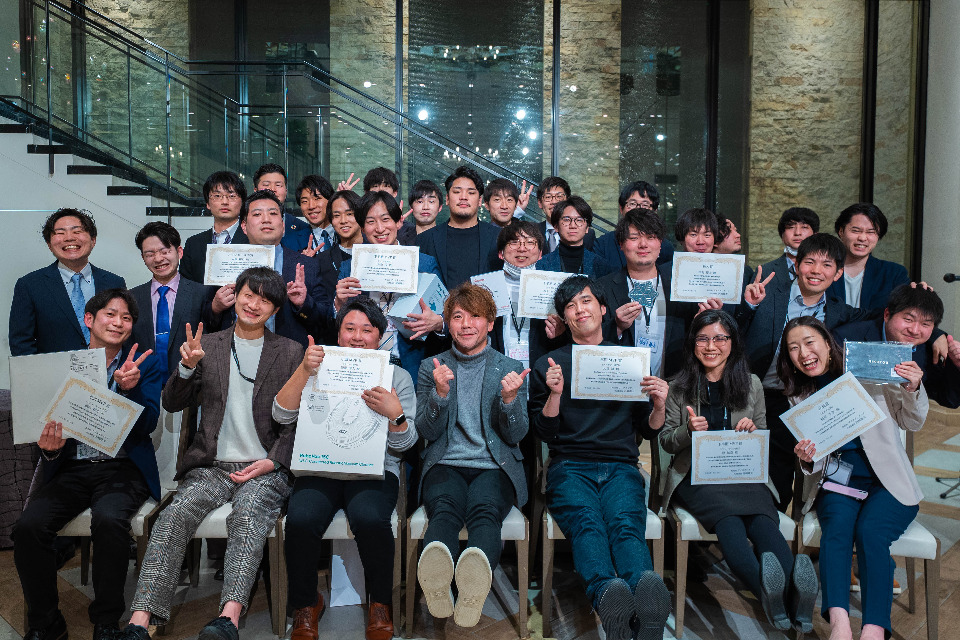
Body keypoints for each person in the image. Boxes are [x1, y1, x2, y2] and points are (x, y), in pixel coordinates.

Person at [116, 268, 303, 640]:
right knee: (175, 515)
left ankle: (227, 619)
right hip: (212, 465)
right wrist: (186, 367)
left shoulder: (289, 351)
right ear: (236, 296)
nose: (254, 305)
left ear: (275, 309)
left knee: (248, 517)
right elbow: (172, 403)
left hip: (264, 467)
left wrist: (274, 460)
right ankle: (139, 622)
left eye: (265, 300)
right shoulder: (209, 344)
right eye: (249, 294)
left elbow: (296, 419)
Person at [529, 275, 671, 640]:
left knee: (625, 525)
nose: (580, 309)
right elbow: (544, 433)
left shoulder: (631, 360)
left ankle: (644, 596)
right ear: (564, 318)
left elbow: (649, 429)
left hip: (621, 466)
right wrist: (555, 394)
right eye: (570, 306)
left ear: (603, 309)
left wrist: (659, 405)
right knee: (587, 524)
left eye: (586, 301)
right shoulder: (549, 363)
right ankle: (609, 595)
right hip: (569, 467)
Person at [15, 289, 160, 640]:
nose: (118, 323)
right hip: (73, 469)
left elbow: (148, 425)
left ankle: (106, 621)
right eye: (110, 314)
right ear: (89, 319)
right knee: (28, 527)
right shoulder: (62, 364)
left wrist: (129, 390)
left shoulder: (144, 363)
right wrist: (49, 449)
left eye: (126, 318)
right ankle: (45, 622)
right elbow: (44, 423)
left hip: (123, 469)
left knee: (109, 520)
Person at [659, 310, 818, 632]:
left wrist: (752, 431)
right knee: (730, 525)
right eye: (703, 339)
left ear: (732, 342)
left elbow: (761, 433)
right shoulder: (677, 386)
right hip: (698, 477)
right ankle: (784, 600)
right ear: (692, 344)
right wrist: (688, 431)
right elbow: (666, 441)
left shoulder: (752, 384)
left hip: (743, 473)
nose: (711, 346)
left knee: (765, 524)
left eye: (720, 338)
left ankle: (791, 598)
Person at [277, 297, 418, 640]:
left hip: (375, 470)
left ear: (380, 336)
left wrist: (396, 415)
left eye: (366, 330)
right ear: (338, 334)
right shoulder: (315, 366)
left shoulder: (397, 376)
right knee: (300, 519)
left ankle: (380, 603)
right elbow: (281, 415)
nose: (357, 337)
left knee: (370, 518)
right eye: (349, 328)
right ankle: (306, 603)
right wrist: (303, 371)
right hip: (320, 468)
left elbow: (405, 446)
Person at [783, 317, 926, 640]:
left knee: (871, 532)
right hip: (838, 483)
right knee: (836, 532)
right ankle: (839, 624)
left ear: (827, 344)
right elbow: (814, 460)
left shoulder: (867, 372)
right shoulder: (798, 395)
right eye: (793, 348)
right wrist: (806, 458)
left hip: (888, 482)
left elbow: (912, 421)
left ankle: (874, 628)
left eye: (809, 342)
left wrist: (913, 388)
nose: (803, 353)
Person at [414, 284, 529, 628]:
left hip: (495, 466)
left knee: (485, 510)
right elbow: (426, 430)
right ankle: (437, 586)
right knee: (445, 509)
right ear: (447, 323)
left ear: (490, 323)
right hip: (445, 463)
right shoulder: (431, 367)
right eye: (457, 317)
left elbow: (516, 436)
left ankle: (472, 592)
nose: (466, 324)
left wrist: (510, 401)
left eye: (475, 316)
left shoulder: (509, 367)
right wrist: (440, 394)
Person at [739, 233, 880, 510]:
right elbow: (731, 331)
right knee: (759, 476)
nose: (816, 271)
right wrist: (749, 306)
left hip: (804, 400)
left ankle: (790, 527)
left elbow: (885, 319)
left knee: (798, 475)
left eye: (827, 265)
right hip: (756, 395)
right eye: (810, 262)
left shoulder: (838, 311)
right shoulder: (766, 294)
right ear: (796, 265)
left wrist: (933, 331)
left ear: (838, 273)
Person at [334, 190, 446, 382]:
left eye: (385, 219)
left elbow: (447, 313)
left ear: (399, 222)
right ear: (362, 228)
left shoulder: (423, 264)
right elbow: (337, 325)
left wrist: (438, 322)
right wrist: (339, 304)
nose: (379, 228)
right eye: (370, 222)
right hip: (361, 365)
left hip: (412, 362)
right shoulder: (350, 268)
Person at [204, 190, 335, 348]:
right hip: (234, 351)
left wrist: (303, 303)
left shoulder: (307, 265)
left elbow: (326, 319)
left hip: (289, 355)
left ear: (283, 226)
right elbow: (205, 318)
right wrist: (216, 307)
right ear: (244, 226)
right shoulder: (224, 260)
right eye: (257, 214)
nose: (266, 219)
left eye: (273, 213)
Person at [10, 208, 126, 355]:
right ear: (49, 244)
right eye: (60, 233)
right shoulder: (30, 285)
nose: (69, 238)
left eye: (77, 231)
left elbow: (125, 332)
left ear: (93, 240)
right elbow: (21, 342)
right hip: (53, 369)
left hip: (109, 367)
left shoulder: (114, 282)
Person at [835, 283, 960, 408]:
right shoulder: (846, 339)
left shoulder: (927, 349)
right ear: (887, 315)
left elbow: (950, 401)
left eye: (925, 324)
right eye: (908, 320)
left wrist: (955, 364)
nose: (914, 330)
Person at [129, 222, 206, 382]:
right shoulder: (132, 297)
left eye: (165, 251)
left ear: (179, 252)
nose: (158, 259)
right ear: (143, 258)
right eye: (149, 254)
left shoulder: (201, 293)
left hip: (190, 384)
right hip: (143, 385)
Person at [416, 166, 503, 288]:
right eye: (457, 192)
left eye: (471, 193)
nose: (463, 197)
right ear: (447, 199)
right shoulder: (425, 239)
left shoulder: (499, 238)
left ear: (479, 201)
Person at [828, 203, 910, 312]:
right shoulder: (824, 269)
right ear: (841, 232)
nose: (862, 238)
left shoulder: (894, 274)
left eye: (871, 232)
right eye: (856, 231)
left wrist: (920, 294)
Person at [180, 171, 249, 283]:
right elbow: (186, 286)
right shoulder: (193, 244)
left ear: (242, 203)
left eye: (232, 196)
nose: (225, 202)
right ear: (208, 203)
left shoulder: (253, 240)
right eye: (217, 196)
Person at [593, 180, 672, 268]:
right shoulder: (602, 245)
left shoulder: (665, 247)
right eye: (632, 204)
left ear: (655, 211)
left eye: (645, 205)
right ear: (621, 209)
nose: (638, 209)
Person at [535, 196, 614, 278]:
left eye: (579, 220)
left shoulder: (602, 266)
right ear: (556, 227)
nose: (573, 225)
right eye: (566, 220)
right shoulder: (542, 265)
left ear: (587, 228)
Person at [253, 163, 313, 251]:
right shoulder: (243, 226)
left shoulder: (303, 228)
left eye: (278, 185)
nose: (272, 189)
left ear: (286, 191)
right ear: (255, 191)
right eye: (266, 185)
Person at [758, 207, 820, 291]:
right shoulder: (765, 271)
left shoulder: (826, 270)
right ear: (782, 235)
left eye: (804, 227)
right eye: (791, 227)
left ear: (815, 234)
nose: (797, 233)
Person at [535, 176, 595, 253]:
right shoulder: (532, 231)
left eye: (559, 196)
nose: (554, 202)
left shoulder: (586, 234)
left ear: (567, 200)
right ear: (540, 203)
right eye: (548, 197)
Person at [296, 174, 337, 255]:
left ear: (330, 200)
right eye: (305, 201)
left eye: (317, 198)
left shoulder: (346, 233)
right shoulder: (292, 241)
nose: (311, 206)